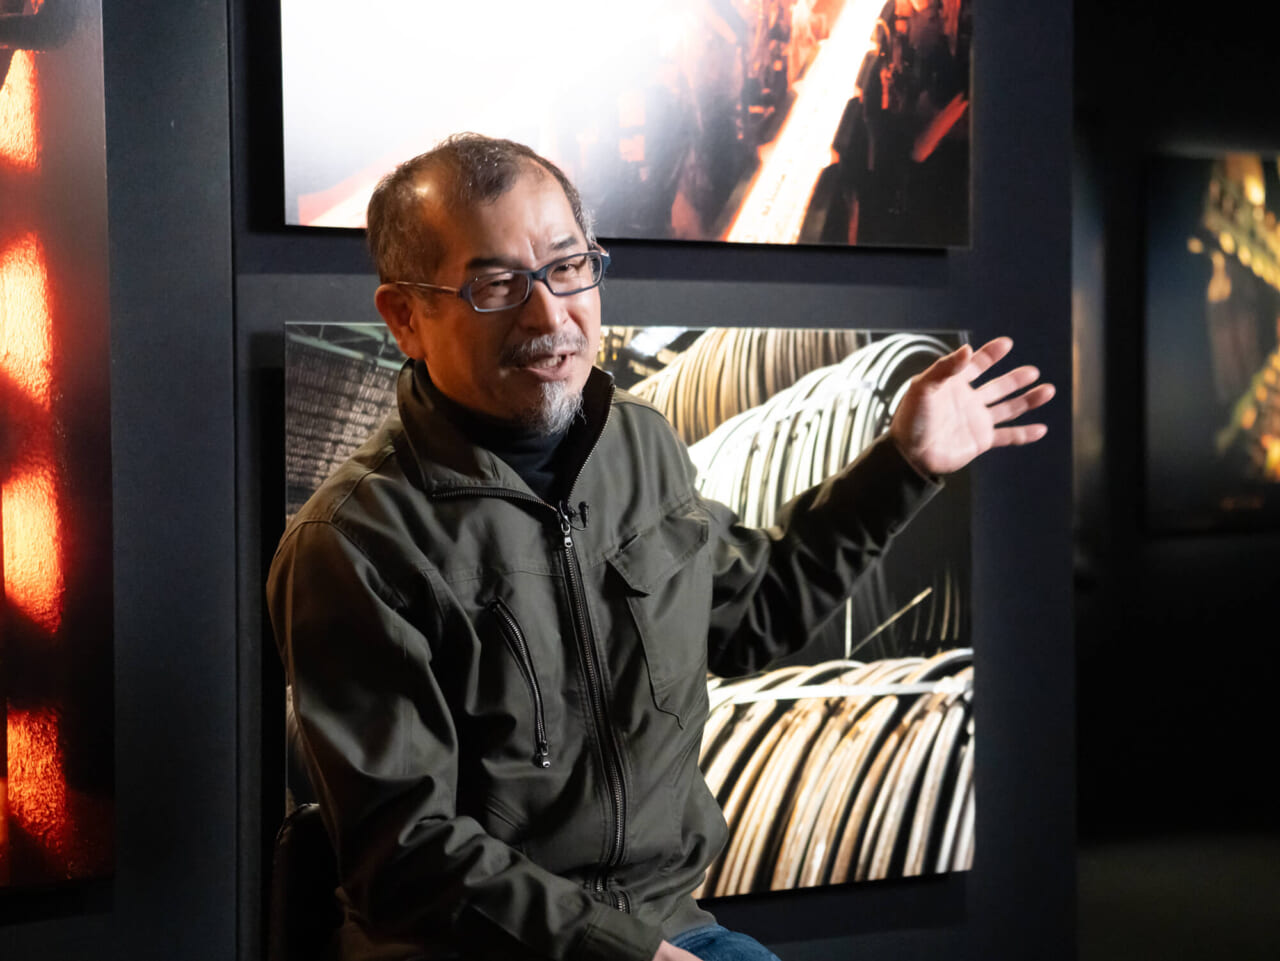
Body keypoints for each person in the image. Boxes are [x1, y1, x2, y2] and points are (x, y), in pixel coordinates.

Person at [267, 133, 1054, 961]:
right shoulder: (354, 543)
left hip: (669, 925)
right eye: (497, 284)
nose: (551, 316)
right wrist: (623, 953)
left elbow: (751, 616)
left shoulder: (638, 446)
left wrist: (902, 464)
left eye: (568, 267)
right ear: (405, 317)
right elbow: (405, 856)